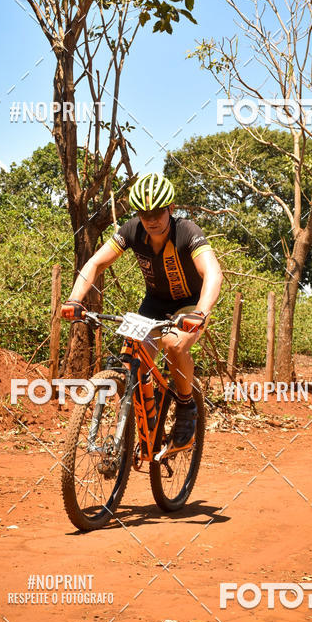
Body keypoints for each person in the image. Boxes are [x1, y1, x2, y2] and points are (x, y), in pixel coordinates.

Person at [61, 172, 223, 449]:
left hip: (190, 304)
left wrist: (202, 312)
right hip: (154, 304)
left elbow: (213, 272)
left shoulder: (187, 231)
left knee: (174, 345)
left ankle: (186, 408)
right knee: (130, 363)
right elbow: (96, 263)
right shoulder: (132, 230)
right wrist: (75, 299)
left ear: (171, 209)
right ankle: (148, 412)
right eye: (144, 213)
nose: (151, 220)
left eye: (158, 212)